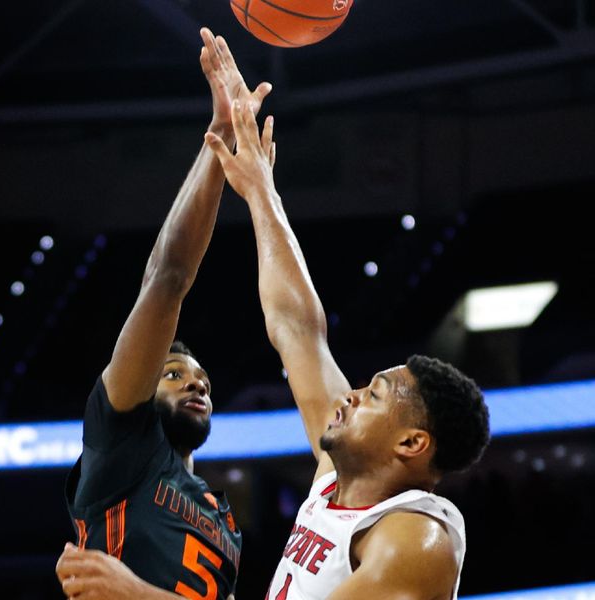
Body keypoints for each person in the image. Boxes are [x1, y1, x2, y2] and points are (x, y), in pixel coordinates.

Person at [203, 100, 491, 599]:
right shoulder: (336, 479)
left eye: (374, 395)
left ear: (410, 443)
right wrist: (259, 191)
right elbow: (297, 328)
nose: (351, 395)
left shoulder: (417, 539)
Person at [55, 28, 272, 600]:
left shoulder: (225, 518)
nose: (196, 382)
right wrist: (220, 138)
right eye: (174, 374)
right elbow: (167, 278)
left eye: (200, 377)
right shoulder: (123, 445)